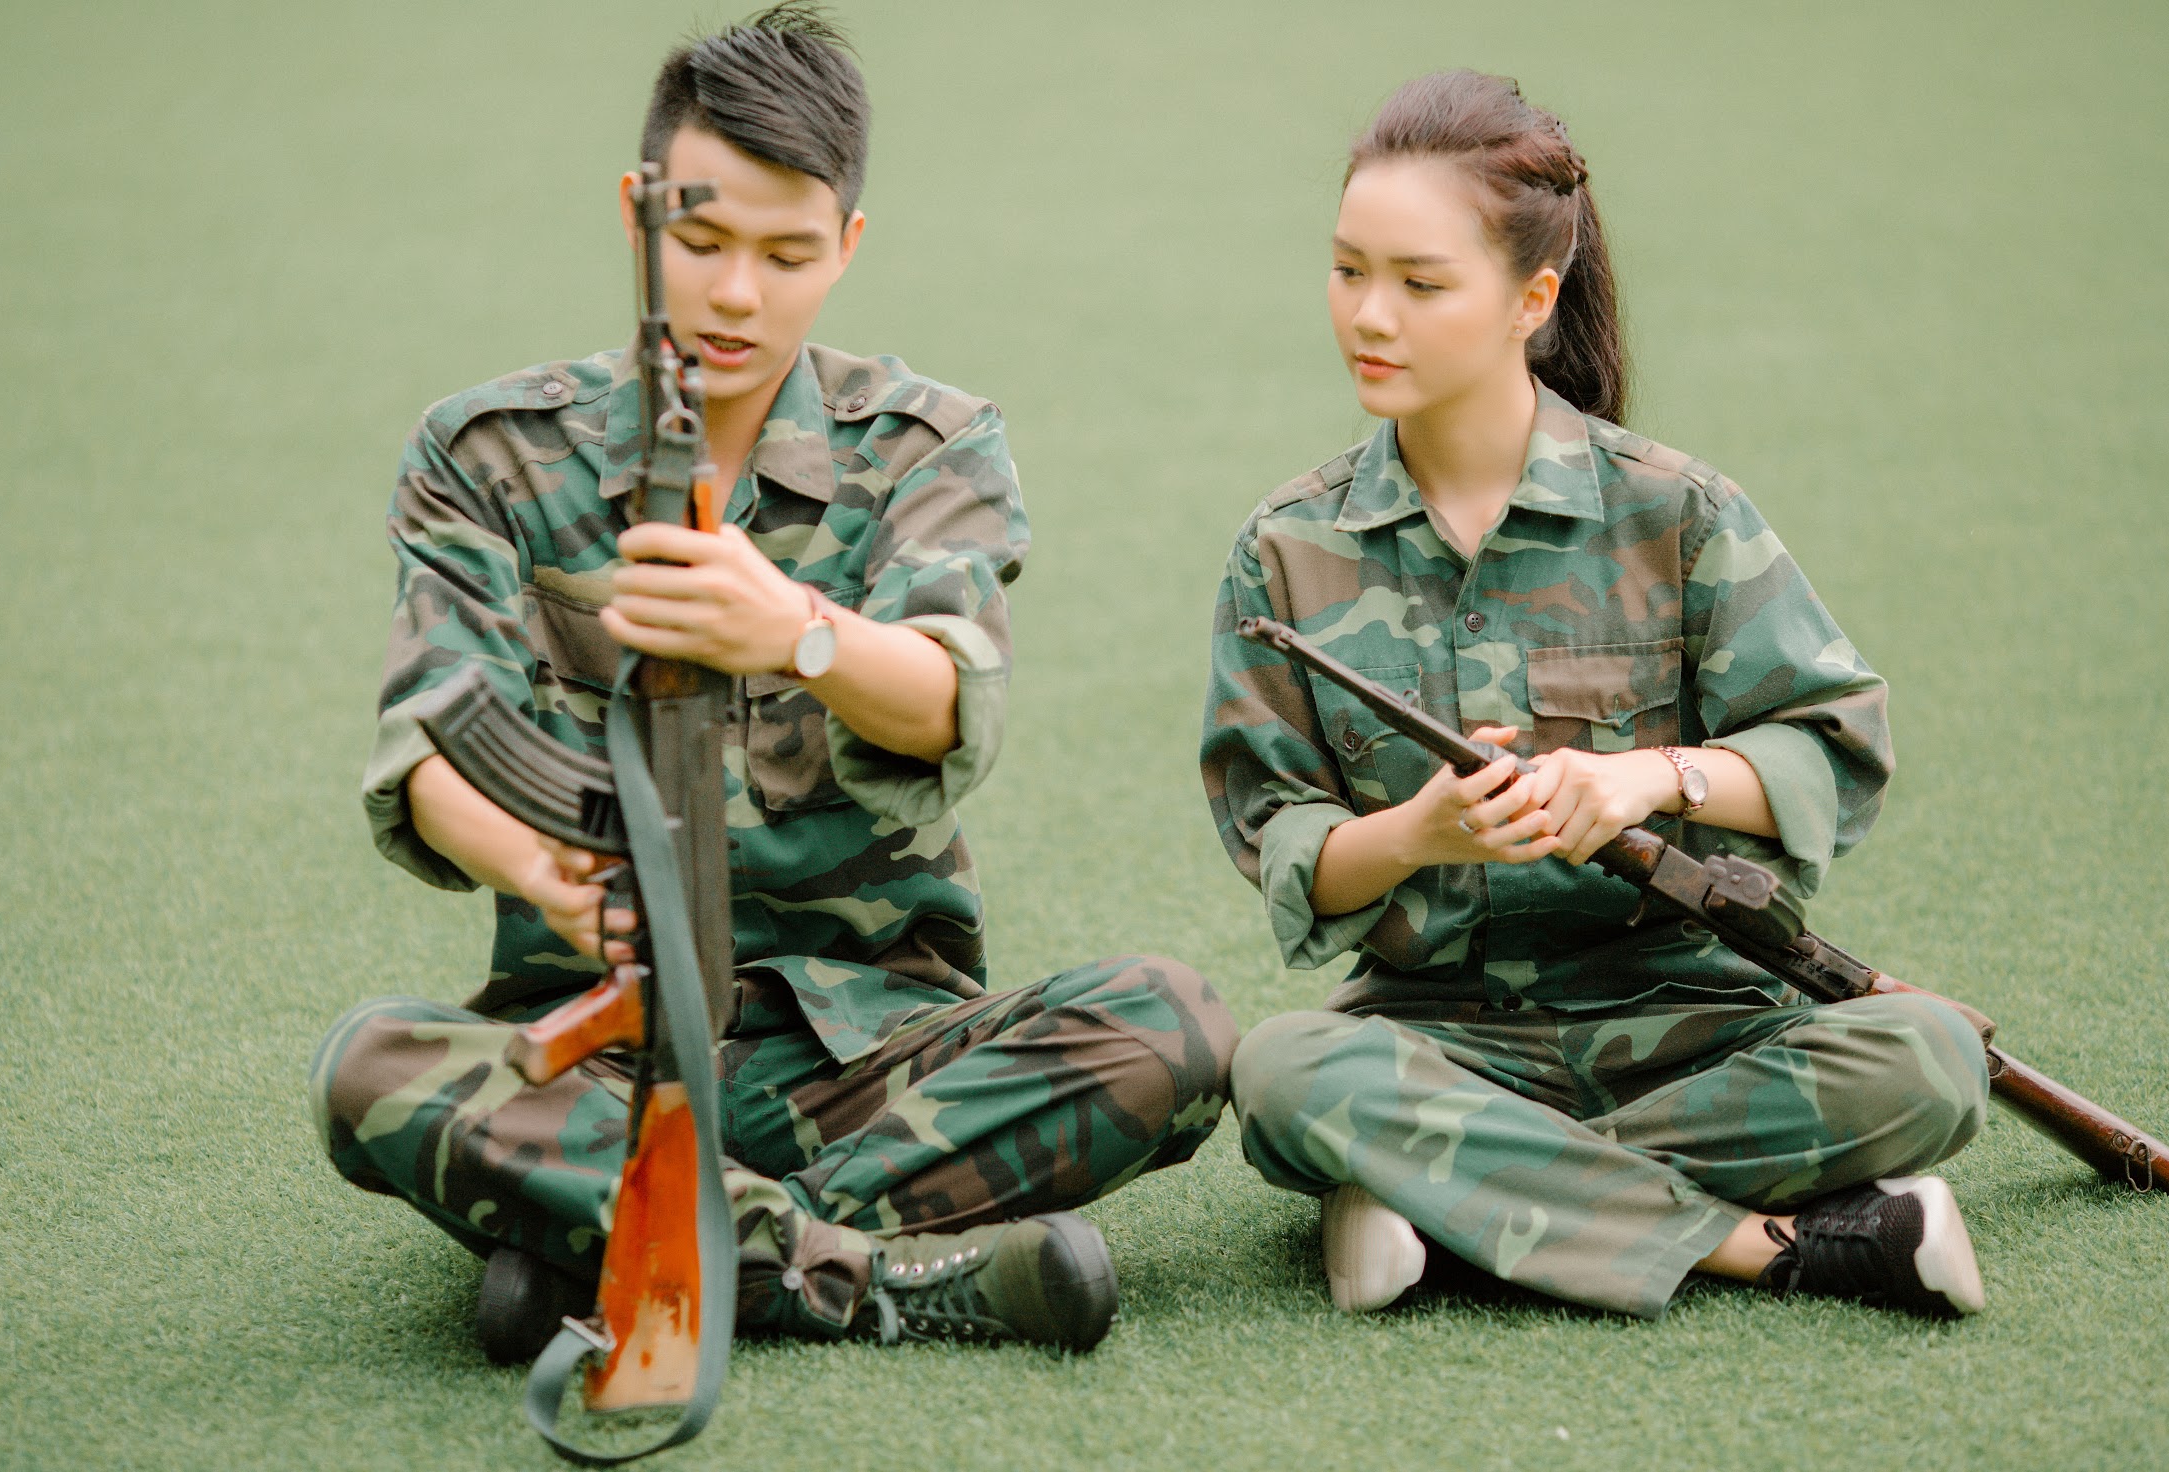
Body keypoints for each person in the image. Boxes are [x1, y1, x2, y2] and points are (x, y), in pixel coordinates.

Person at [310, 4, 1236, 1362]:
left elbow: (952, 702)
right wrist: (541, 867)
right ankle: (877, 1275)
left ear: (846, 245)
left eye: (788, 255)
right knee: (370, 1065)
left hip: (871, 1053)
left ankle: (629, 1241)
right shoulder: (487, 453)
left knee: (1172, 1025)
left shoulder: (927, 446)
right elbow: (432, 741)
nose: (738, 294)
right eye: (701, 244)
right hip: (600, 1049)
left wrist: (793, 627)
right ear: (639, 215)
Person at [1202, 70, 1988, 1323]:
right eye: (1348, 270)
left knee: (1932, 1057)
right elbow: (1280, 833)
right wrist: (1421, 832)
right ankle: (1773, 1243)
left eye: (1420, 283)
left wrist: (1645, 778)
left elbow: (1832, 747)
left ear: (1533, 298)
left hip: (1699, 1022)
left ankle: (1448, 1211)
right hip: (1443, 1038)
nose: (1369, 314)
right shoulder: (1288, 547)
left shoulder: (1676, 513)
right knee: (1285, 1069)